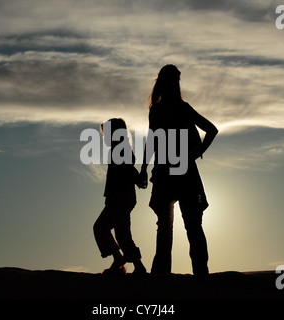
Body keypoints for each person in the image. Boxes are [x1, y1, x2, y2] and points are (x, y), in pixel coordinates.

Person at [140, 65, 218, 276]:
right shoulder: (180, 108)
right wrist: (197, 151)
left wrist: (144, 169)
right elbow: (211, 130)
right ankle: (200, 274)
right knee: (191, 227)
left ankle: (163, 275)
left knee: (167, 228)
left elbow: (152, 141)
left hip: (168, 173)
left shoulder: (159, 110)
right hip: (182, 172)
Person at [93, 118, 147, 275]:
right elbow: (130, 170)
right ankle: (127, 261)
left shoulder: (120, 150)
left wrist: (138, 179)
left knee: (111, 230)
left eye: (106, 134)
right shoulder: (120, 149)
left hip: (120, 198)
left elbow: (128, 169)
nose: (105, 138)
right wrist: (139, 179)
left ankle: (131, 263)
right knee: (115, 231)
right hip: (119, 198)